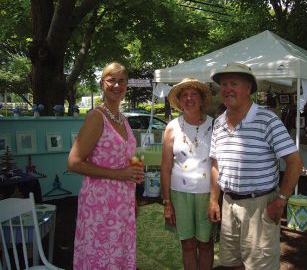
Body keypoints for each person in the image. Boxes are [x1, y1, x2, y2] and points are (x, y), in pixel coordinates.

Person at [207, 62, 303, 270]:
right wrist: (214, 200)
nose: (227, 89)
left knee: (259, 266)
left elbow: (295, 162)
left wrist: (281, 200)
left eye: (234, 83)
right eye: (224, 84)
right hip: (229, 202)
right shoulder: (219, 122)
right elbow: (215, 163)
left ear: (249, 87)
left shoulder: (267, 119)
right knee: (231, 263)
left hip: (259, 205)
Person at [68, 62, 144, 270]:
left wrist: (133, 190)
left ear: (127, 85)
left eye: (122, 81)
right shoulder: (96, 117)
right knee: (100, 256)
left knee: (119, 254)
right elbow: (73, 162)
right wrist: (120, 174)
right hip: (99, 205)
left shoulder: (123, 119)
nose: (117, 85)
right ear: (102, 84)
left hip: (123, 203)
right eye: (111, 80)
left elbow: (126, 158)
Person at [161, 77, 215, 270]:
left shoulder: (214, 126)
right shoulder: (171, 128)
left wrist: (217, 198)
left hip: (207, 194)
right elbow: (165, 167)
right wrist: (167, 203)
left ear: (201, 99)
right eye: (184, 95)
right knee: (188, 244)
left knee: (206, 243)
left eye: (194, 94)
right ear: (180, 101)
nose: (189, 98)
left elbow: (219, 164)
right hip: (179, 194)